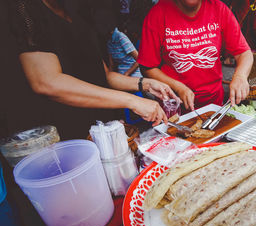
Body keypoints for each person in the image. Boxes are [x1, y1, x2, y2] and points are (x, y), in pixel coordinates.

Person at [6, 0, 180, 139]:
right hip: (66, 136)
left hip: (99, 127)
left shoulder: (78, 12)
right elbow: (46, 82)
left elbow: (104, 75)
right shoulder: (26, 10)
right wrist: (132, 101)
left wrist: (145, 84)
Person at [137, 0, 254, 112]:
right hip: (173, 109)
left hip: (214, 106)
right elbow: (147, 67)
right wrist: (178, 87)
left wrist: (240, 76)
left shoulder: (218, 8)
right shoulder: (158, 14)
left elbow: (244, 53)